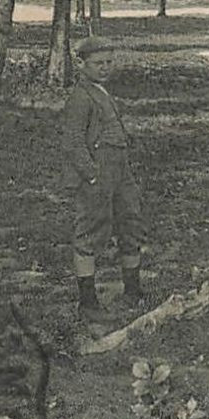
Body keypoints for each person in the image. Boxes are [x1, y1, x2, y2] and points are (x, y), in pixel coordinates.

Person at [63, 36, 148, 319]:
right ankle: (88, 303)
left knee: (130, 223)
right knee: (90, 231)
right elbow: (73, 142)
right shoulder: (80, 96)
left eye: (109, 62)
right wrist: (91, 175)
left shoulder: (102, 92)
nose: (105, 68)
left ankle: (133, 291)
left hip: (120, 171)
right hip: (98, 173)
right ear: (83, 64)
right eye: (98, 63)